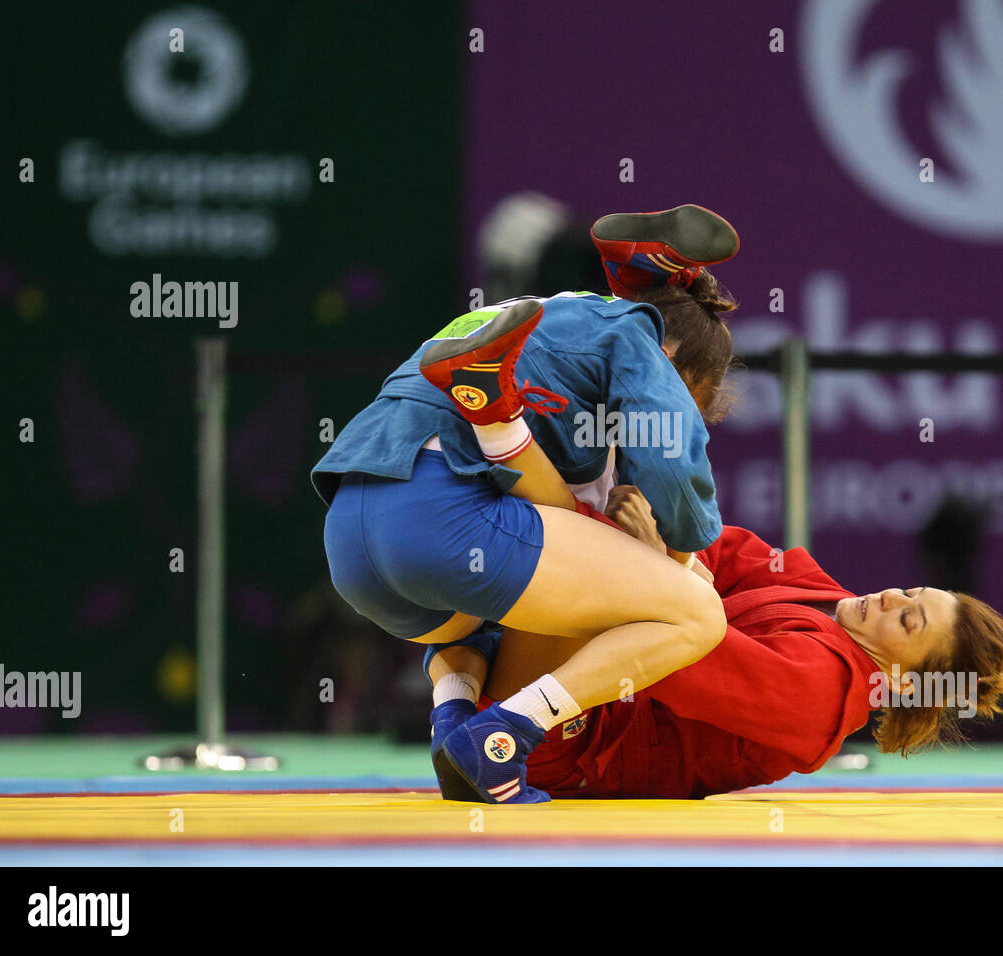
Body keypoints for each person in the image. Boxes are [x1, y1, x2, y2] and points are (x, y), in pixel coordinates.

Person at [313, 205, 743, 803]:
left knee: (514, 599)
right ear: (675, 362)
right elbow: (672, 457)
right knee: (697, 614)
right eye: (694, 399)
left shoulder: (543, 321)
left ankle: (454, 721)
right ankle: (502, 734)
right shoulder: (634, 335)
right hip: (439, 520)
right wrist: (682, 553)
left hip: (354, 538)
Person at [429, 480, 1003, 800]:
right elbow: (709, 543)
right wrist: (669, 542)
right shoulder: (819, 591)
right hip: (553, 695)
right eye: (910, 592)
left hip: (567, 744)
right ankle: (452, 714)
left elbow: (675, 653)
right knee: (585, 504)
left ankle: (497, 419)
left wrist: (660, 562)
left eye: (908, 622)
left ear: (898, 680)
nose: (892, 599)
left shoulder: (823, 696)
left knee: (552, 523)